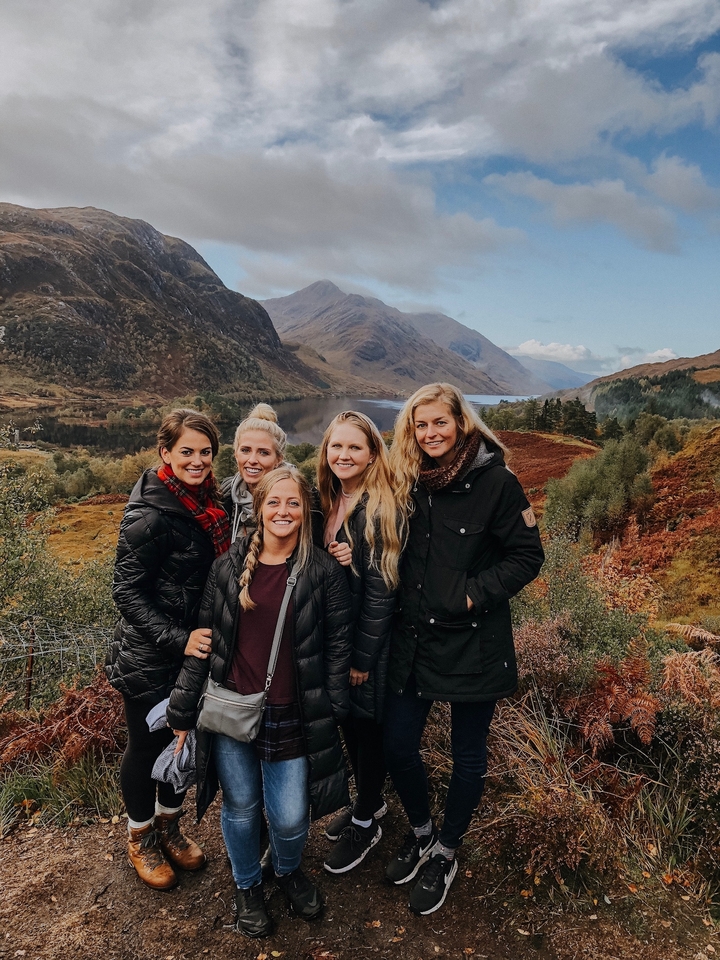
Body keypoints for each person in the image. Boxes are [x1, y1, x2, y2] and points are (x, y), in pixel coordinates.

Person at [167, 466, 352, 938]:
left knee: (290, 817)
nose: (283, 512)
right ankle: (247, 885)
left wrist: (333, 710)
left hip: (294, 714)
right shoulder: (227, 568)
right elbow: (206, 645)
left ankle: (287, 870)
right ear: (260, 508)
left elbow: (337, 649)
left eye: (293, 503)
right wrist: (183, 711)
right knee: (243, 806)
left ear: (304, 511)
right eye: (274, 503)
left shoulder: (324, 572)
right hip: (232, 713)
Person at [384, 383, 544, 915]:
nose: (429, 434)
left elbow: (527, 557)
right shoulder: (408, 481)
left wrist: (474, 593)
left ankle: (446, 853)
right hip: (414, 640)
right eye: (420, 425)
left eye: (439, 423)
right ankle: (423, 831)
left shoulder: (497, 483)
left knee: (467, 756)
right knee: (398, 744)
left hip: (474, 642)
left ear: (462, 423)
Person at [107, 409, 231, 890]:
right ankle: (140, 837)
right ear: (165, 453)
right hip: (151, 657)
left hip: (195, 654)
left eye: (205, 452)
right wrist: (180, 640)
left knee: (184, 742)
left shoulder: (208, 503)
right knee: (146, 746)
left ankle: (169, 826)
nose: (197, 461)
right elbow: (126, 592)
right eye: (187, 452)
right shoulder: (149, 516)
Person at [316, 411, 402, 874]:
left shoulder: (379, 506)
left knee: (368, 732)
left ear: (372, 453)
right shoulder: (332, 499)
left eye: (354, 447)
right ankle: (370, 804)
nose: (343, 455)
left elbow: (382, 589)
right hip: (339, 642)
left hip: (365, 649)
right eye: (336, 446)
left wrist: (362, 659)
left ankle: (366, 822)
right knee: (351, 725)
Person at [222, 402, 323, 544]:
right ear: (236, 453)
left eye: (263, 453)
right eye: (245, 450)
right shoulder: (225, 495)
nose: (252, 460)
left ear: (278, 459)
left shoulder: (304, 497)